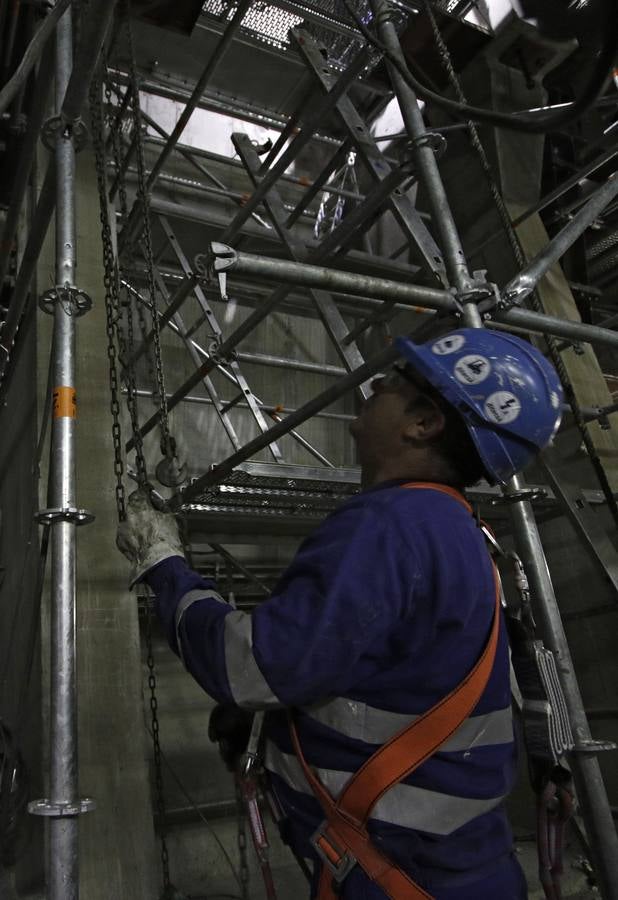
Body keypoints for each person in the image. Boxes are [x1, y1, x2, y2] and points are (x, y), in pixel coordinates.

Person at [117, 328, 563, 900]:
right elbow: (387, 682)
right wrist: (271, 726)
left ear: (422, 424)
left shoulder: (390, 527)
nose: (375, 384)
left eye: (394, 384)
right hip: (453, 870)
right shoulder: (456, 530)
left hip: (397, 877)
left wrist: (162, 559)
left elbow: (250, 667)